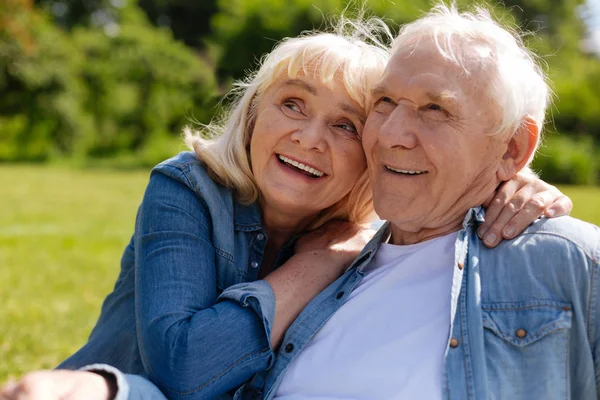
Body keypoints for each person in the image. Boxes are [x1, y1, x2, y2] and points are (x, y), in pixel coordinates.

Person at [0, 11, 574, 400]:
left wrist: (520, 179)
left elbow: (462, 164)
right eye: (293, 105)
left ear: (368, 154)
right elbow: (185, 369)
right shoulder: (189, 189)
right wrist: (318, 264)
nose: (309, 137)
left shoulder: (377, 235)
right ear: (253, 115)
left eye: (345, 125)